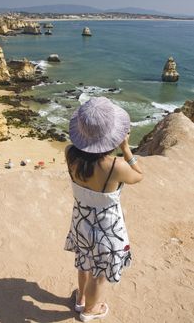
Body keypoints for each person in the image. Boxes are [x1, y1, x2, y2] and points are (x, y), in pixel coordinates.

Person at [64, 97, 143, 322]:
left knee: (84, 262)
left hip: (81, 221)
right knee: (99, 275)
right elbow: (139, 175)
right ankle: (91, 310)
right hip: (107, 229)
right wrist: (126, 148)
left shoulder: (70, 153)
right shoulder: (115, 167)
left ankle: (80, 299)